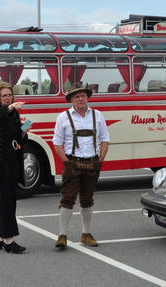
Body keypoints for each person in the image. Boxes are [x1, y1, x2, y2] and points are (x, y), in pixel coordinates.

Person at [52, 82, 110, 249]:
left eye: (83, 95)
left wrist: (100, 160)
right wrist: (67, 163)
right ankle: (62, 235)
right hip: (72, 162)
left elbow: (105, 139)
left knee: (87, 199)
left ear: (87, 97)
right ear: (71, 100)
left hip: (92, 162)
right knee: (67, 198)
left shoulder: (97, 115)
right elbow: (57, 143)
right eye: (76, 96)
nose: (80, 99)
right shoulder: (63, 117)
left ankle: (86, 234)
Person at [0, 82, 30, 254]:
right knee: (6, 199)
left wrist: (24, 132)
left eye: (10, 95)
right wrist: (10, 107)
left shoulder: (14, 113)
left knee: (11, 197)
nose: (8, 98)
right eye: (4, 96)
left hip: (13, 158)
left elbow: (17, 137)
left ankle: (1, 237)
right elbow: (0, 116)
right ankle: (9, 240)